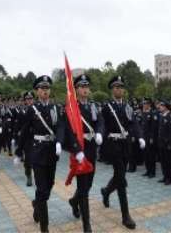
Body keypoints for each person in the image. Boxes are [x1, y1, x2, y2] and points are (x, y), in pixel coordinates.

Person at [16, 76, 62, 233]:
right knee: (42, 188)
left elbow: (60, 127)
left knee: (49, 186)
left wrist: (59, 142)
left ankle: (37, 204)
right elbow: (24, 131)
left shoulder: (55, 108)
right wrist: (18, 152)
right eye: (42, 89)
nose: (45, 91)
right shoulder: (32, 109)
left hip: (52, 152)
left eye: (47, 88)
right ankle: (45, 227)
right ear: (37, 91)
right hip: (38, 151)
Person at [60, 74, 104, 233]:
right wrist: (76, 150)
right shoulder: (72, 108)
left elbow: (100, 121)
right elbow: (68, 131)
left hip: (92, 149)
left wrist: (99, 132)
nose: (85, 89)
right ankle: (87, 225)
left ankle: (73, 201)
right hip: (79, 150)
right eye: (82, 87)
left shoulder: (93, 105)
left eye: (87, 86)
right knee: (83, 188)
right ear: (76, 89)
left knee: (89, 184)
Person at [99, 75, 143, 230]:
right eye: (116, 87)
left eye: (121, 87)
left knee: (119, 176)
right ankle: (126, 216)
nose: (119, 90)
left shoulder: (128, 106)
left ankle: (106, 191)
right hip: (113, 145)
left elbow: (134, 123)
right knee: (121, 179)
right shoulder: (107, 107)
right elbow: (103, 125)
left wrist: (140, 136)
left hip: (126, 145)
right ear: (112, 90)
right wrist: (100, 137)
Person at [156, 99, 171, 186]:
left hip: (168, 143)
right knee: (163, 161)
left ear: (166, 107)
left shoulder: (170, 116)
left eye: (161, 106)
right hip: (161, 143)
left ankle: (169, 178)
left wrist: (170, 143)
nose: (160, 107)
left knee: (168, 162)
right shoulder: (161, 116)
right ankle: (165, 176)